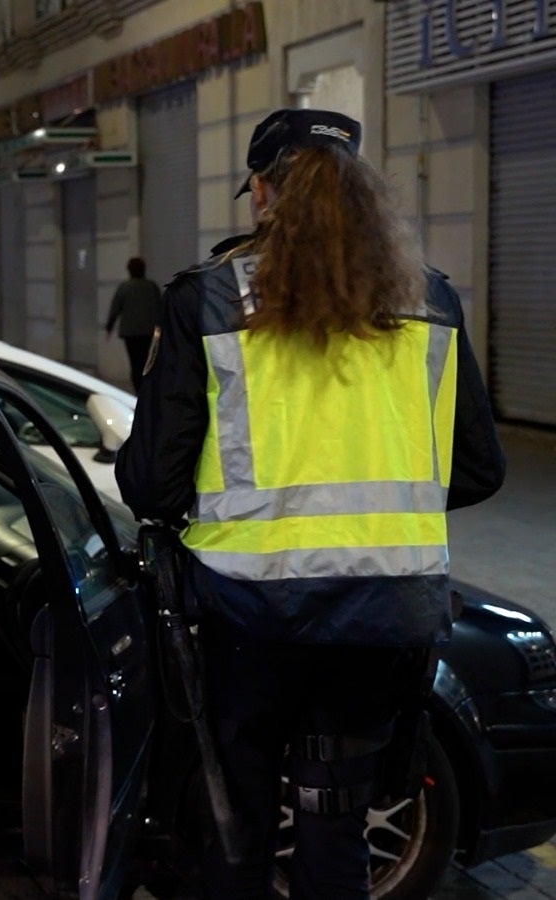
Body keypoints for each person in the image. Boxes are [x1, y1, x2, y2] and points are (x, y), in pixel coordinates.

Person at [115, 108, 505, 899]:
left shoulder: (207, 300)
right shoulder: (429, 302)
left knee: (239, 821)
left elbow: (153, 485)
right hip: (385, 615)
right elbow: (477, 469)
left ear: (261, 193)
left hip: (250, 619)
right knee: (335, 821)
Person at [104, 257, 162, 389]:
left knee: (135, 361)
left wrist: (109, 327)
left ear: (129, 270)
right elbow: (160, 307)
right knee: (146, 359)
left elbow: (115, 308)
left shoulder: (124, 287)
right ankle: (147, 385)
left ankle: (138, 388)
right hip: (148, 331)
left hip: (130, 332)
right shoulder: (152, 286)